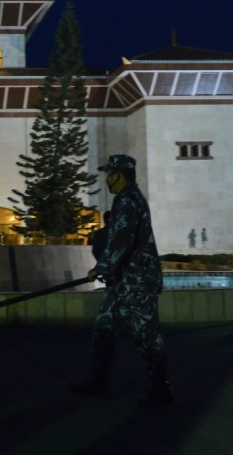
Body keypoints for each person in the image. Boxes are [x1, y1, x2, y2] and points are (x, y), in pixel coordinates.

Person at [74, 154, 172, 407]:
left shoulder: (128, 200)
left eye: (109, 175)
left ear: (118, 175)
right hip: (123, 280)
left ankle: (161, 389)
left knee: (146, 336)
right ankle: (98, 382)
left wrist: (102, 266)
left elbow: (122, 239)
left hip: (137, 280)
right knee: (104, 328)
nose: (107, 180)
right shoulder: (127, 199)